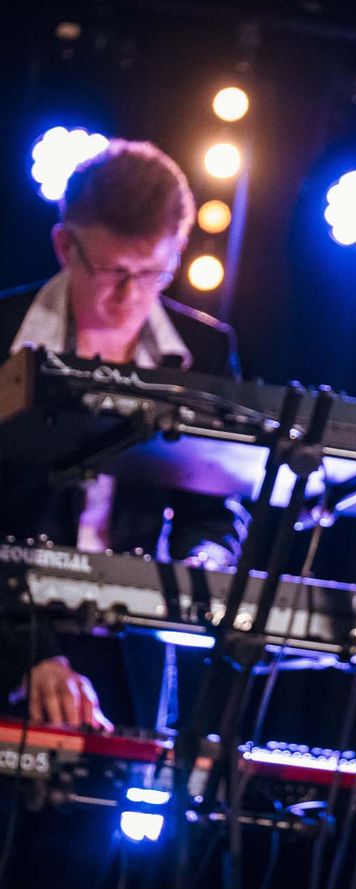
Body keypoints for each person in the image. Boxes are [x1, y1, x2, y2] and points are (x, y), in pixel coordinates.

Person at [0, 139, 244, 732]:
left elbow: (213, 507)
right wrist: (27, 655)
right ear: (65, 246)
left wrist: (202, 566)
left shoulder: (205, 351)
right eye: (112, 272)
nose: (130, 296)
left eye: (153, 272)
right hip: (10, 626)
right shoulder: (4, 333)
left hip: (132, 649)